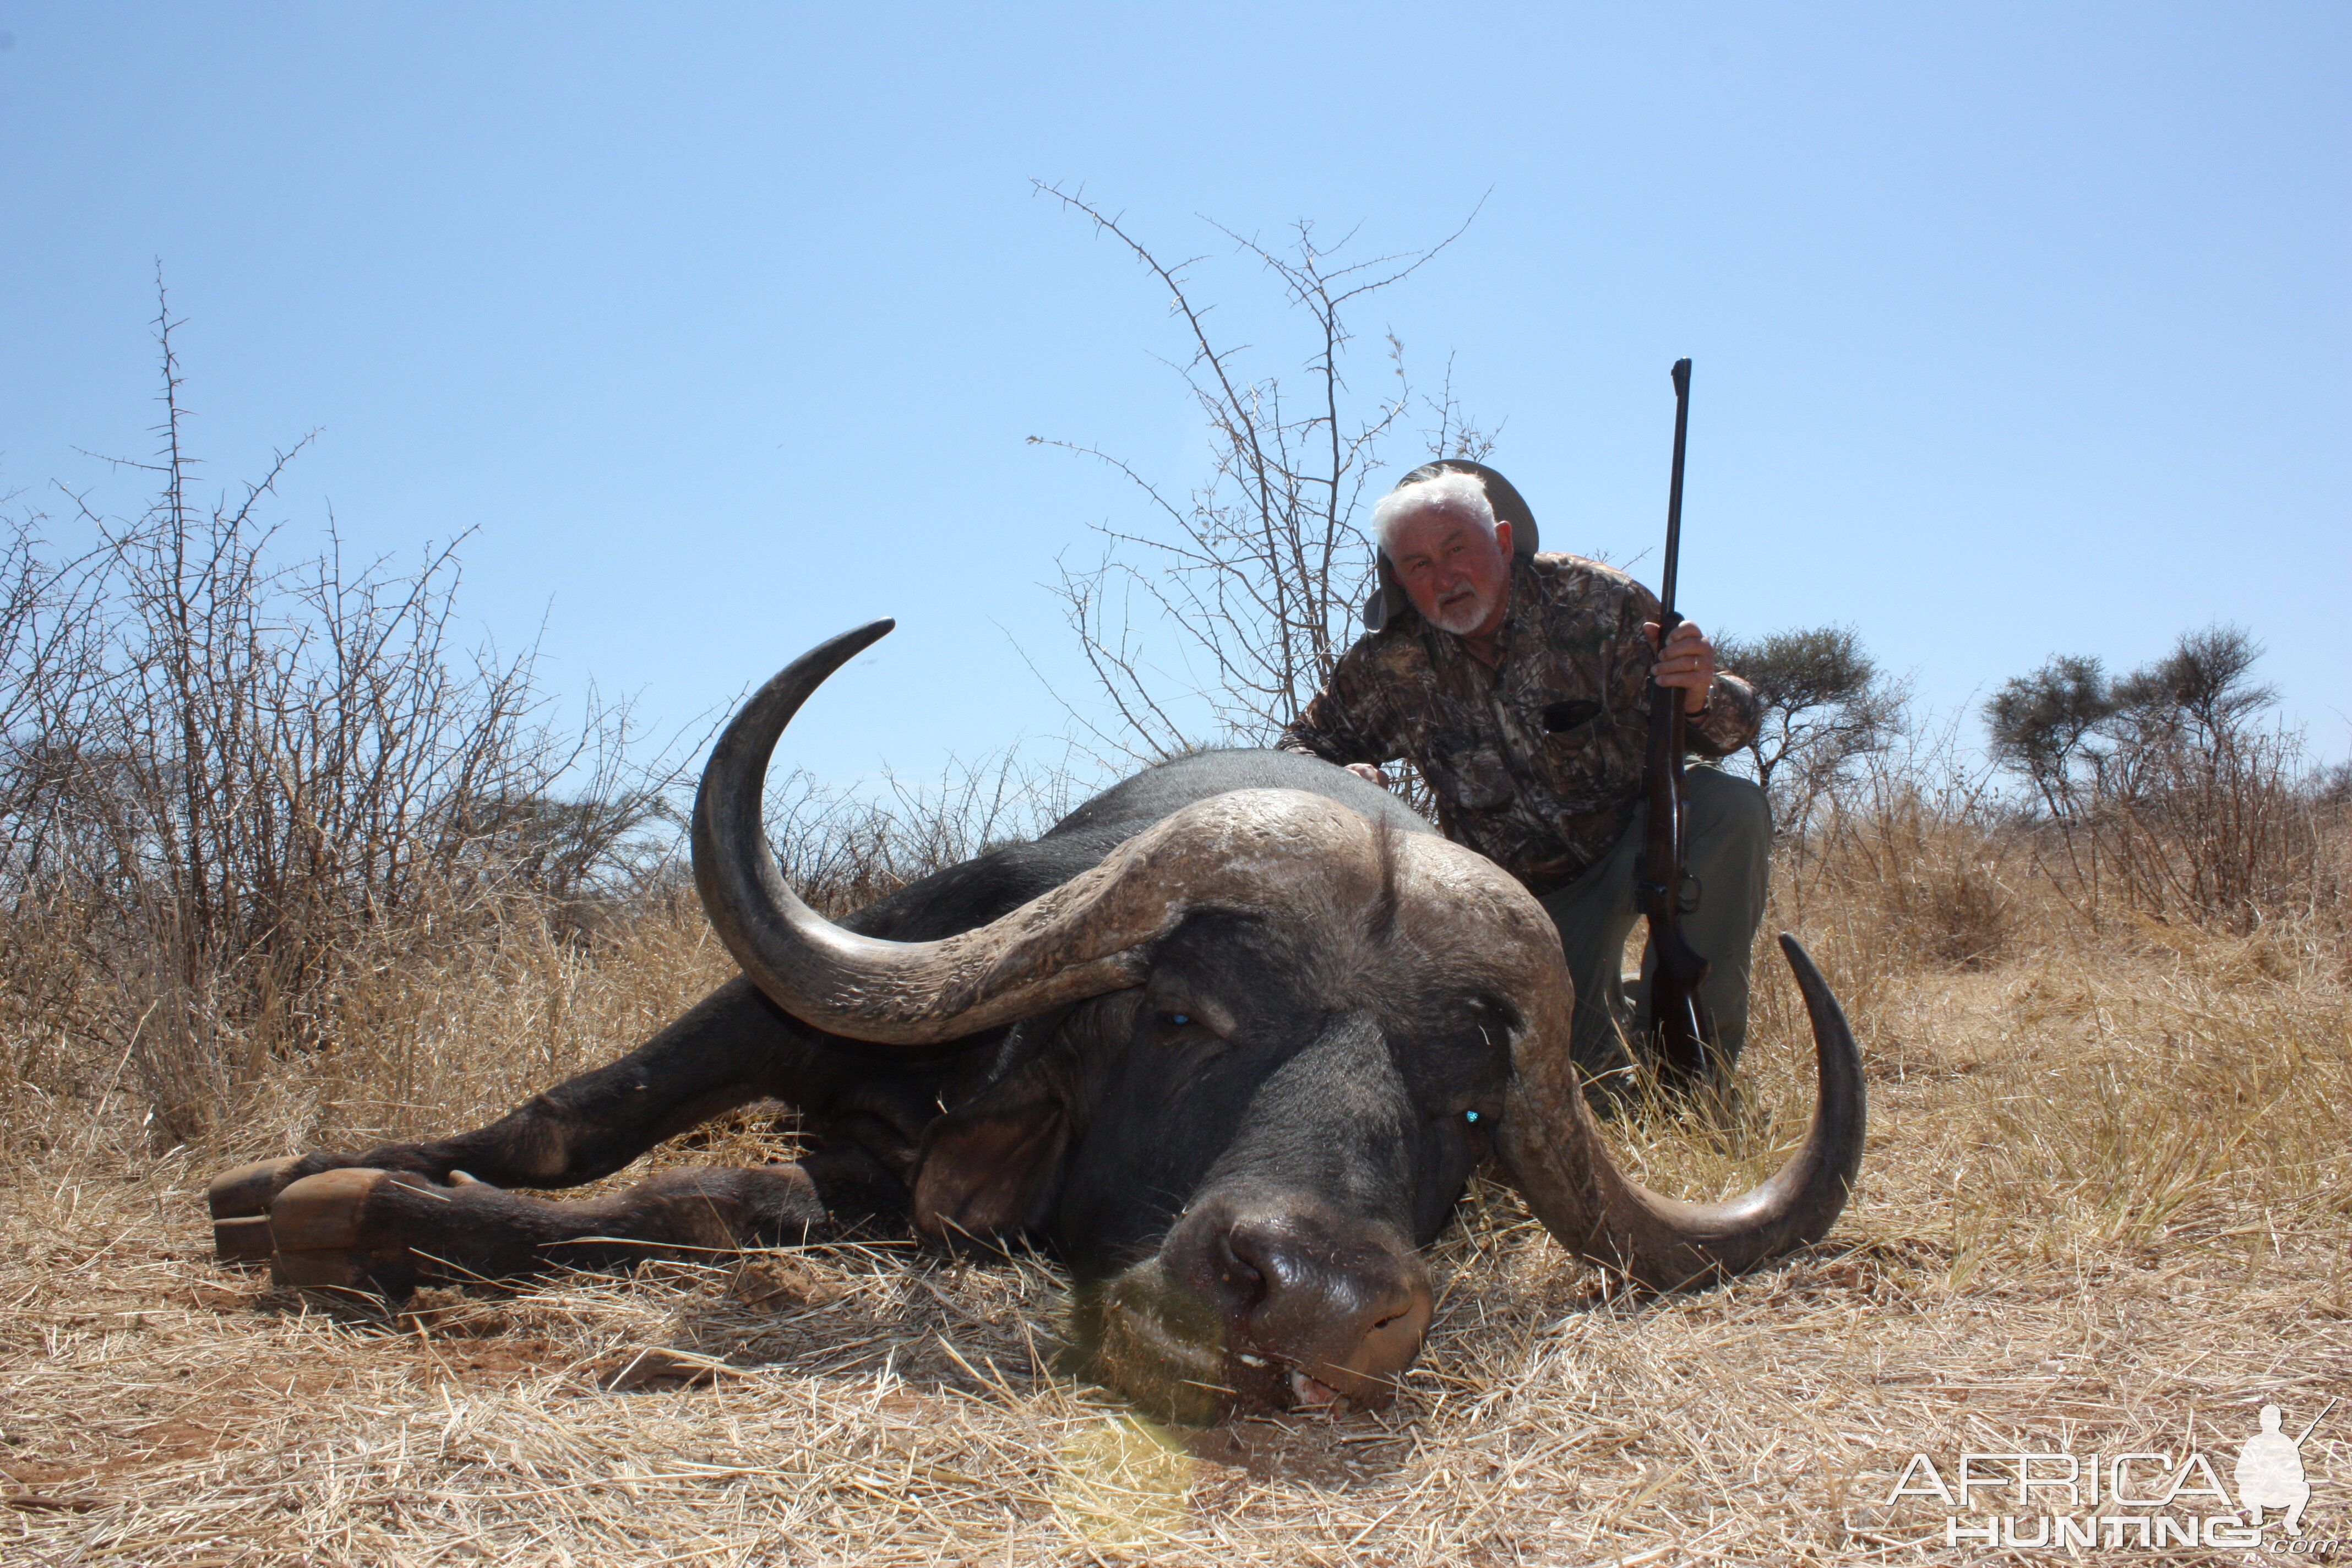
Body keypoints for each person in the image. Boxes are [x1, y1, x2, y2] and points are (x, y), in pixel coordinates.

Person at [1277, 460, 1768, 1090]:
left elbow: (1733, 727)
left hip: (1641, 839)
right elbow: (1297, 749)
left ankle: (1705, 1076)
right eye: (1420, 564)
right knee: (1591, 1091)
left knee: (1732, 810)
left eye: (1458, 548)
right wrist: (1342, 782)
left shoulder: (1595, 600)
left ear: (1503, 542)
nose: (1446, 577)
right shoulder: (1388, 662)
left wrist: (1702, 694)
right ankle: (1608, 1009)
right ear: (1399, 577)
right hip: (1529, 902)